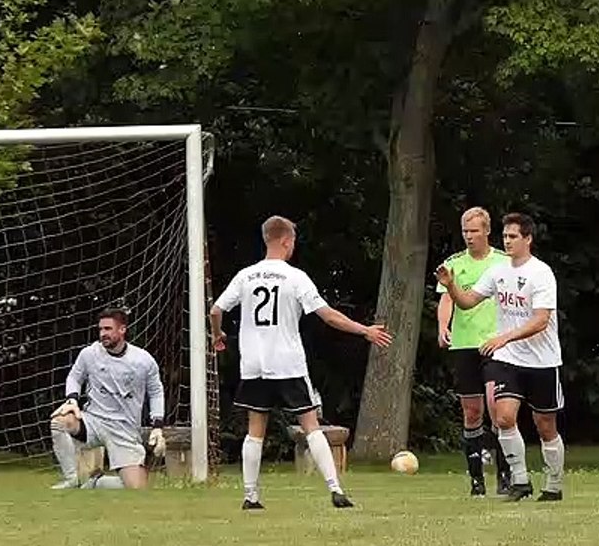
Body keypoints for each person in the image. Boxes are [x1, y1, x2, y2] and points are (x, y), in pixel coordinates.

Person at [210, 215, 393, 510]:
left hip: (255, 364)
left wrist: (218, 335)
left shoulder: (245, 276)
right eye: (293, 240)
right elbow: (328, 315)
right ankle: (335, 489)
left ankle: (250, 496)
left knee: (255, 428)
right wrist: (365, 330)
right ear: (286, 241)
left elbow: (216, 309)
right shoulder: (294, 277)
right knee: (311, 424)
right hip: (287, 363)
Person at [436, 212, 565, 502]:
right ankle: (519, 481)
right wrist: (451, 286)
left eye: (513, 236)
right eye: (505, 236)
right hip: (509, 359)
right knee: (504, 417)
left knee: (546, 426)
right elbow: (468, 302)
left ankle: (554, 484)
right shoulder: (498, 272)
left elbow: (541, 320)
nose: (507, 241)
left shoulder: (541, 273)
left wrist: (503, 337)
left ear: (528, 239)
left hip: (543, 361)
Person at [436, 207, 513, 497]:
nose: (469, 236)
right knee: (472, 412)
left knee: (497, 407)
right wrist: (444, 326)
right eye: (465, 231)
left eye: (474, 231)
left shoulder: (504, 262)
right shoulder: (453, 264)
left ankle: (505, 475)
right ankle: (476, 479)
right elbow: (446, 300)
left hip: (497, 344)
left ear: (487, 231)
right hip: (465, 344)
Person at [49, 307, 166, 490]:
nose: (103, 334)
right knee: (59, 422)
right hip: (94, 421)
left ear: (122, 330)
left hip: (124, 430)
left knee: (136, 488)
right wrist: (72, 400)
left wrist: (157, 426)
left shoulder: (143, 360)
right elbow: (74, 377)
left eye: (108, 329)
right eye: (101, 329)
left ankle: (95, 482)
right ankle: (73, 478)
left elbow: (156, 391)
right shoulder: (89, 354)